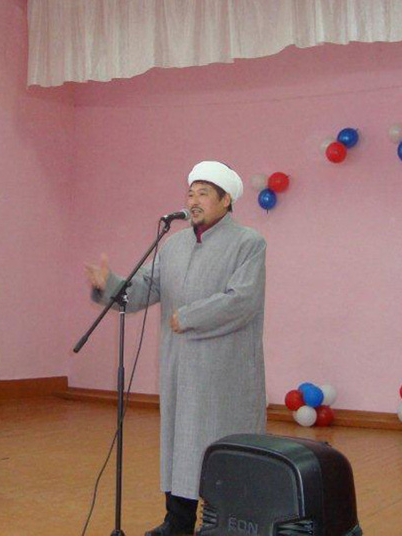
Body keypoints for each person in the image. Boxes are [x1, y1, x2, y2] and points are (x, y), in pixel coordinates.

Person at [85, 161, 267, 536]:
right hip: (179, 364)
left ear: (226, 200)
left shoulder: (248, 243)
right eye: (190, 193)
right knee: (180, 441)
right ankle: (178, 522)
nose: (193, 201)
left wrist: (189, 316)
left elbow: (243, 300)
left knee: (219, 443)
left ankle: (225, 523)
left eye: (204, 193)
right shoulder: (173, 244)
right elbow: (145, 288)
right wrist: (109, 285)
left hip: (223, 369)